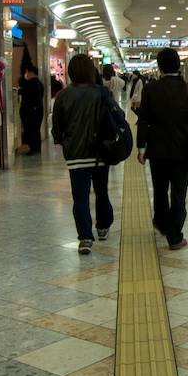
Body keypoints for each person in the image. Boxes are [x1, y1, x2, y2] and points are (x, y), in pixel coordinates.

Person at [136, 48, 188, 251]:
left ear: (159, 66)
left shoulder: (151, 89)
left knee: (159, 190)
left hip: (157, 151)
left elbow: (143, 121)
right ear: (178, 65)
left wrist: (141, 147)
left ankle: (161, 221)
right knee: (178, 192)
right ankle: (175, 236)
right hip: (183, 151)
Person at [52, 54, 121, 254]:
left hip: (75, 154)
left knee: (80, 196)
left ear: (71, 72)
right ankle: (103, 226)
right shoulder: (101, 92)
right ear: (92, 71)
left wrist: (62, 140)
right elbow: (117, 116)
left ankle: (84, 238)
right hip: (101, 151)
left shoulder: (63, 96)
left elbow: (57, 127)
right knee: (101, 190)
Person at [18, 66, 45, 155]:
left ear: (31, 72)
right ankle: (36, 148)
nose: (27, 74)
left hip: (31, 111)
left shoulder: (32, 83)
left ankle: (33, 148)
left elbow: (30, 95)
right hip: (37, 111)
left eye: (27, 72)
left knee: (31, 130)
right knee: (36, 130)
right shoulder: (39, 83)